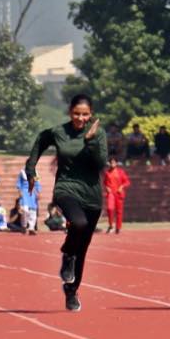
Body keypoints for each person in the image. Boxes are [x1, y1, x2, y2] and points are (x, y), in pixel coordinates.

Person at [25, 94, 108, 311]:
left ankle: (71, 290)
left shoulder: (98, 134)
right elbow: (40, 141)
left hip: (91, 196)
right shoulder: (59, 132)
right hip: (66, 189)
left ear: (91, 114)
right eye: (76, 114)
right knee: (78, 224)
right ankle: (67, 253)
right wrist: (30, 169)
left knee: (83, 248)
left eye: (85, 114)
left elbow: (101, 163)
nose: (80, 118)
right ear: (70, 112)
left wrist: (90, 140)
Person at [103, 159, 131, 234]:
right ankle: (111, 225)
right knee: (110, 209)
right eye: (111, 162)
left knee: (119, 211)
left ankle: (118, 228)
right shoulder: (107, 173)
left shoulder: (121, 172)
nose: (112, 164)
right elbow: (105, 183)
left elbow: (127, 182)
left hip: (119, 193)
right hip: (111, 194)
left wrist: (121, 186)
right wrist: (107, 187)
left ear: (116, 163)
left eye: (113, 162)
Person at [17, 169, 42, 235]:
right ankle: (24, 226)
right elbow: (19, 183)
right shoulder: (22, 172)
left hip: (33, 192)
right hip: (24, 192)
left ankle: (31, 228)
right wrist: (19, 191)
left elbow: (37, 183)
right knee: (25, 210)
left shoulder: (35, 172)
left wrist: (39, 192)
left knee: (33, 211)